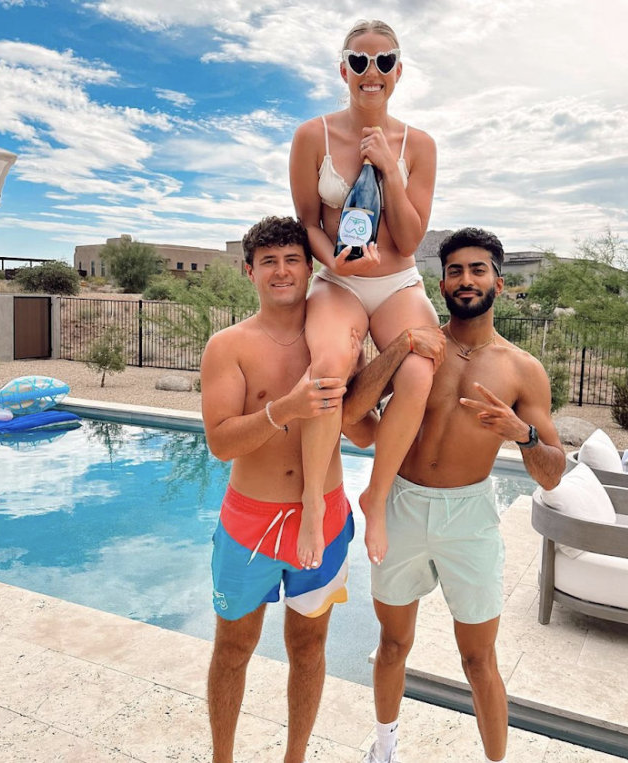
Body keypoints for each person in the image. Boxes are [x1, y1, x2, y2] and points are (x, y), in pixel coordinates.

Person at [342, 228, 566, 763]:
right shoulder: (421, 349)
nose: (466, 280)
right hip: (402, 504)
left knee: (479, 660)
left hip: (470, 517)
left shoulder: (521, 370)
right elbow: (353, 414)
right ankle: (384, 749)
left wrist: (523, 434)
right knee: (393, 645)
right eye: (456, 271)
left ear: (499, 282)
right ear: (441, 283)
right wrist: (397, 347)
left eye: (478, 270)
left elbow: (553, 474)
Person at [201, 216, 379, 763]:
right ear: (248, 270)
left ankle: (295, 757)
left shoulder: (334, 341)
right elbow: (221, 443)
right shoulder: (229, 346)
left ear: (310, 268)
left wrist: (381, 362)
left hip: (322, 517)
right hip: (249, 522)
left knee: (309, 647)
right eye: (269, 261)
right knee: (233, 648)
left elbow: (366, 432)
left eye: (292, 259)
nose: (282, 271)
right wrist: (285, 408)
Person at [289, 19, 438, 572]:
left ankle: (375, 497)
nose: (369, 73)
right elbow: (307, 221)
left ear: (398, 71)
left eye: (382, 62)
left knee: (420, 373)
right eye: (358, 61)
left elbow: (412, 238)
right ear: (343, 69)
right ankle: (311, 501)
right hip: (339, 278)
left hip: (397, 280)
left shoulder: (419, 144)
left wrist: (388, 171)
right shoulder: (313, 136)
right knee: (328, 365)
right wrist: (337, 261)